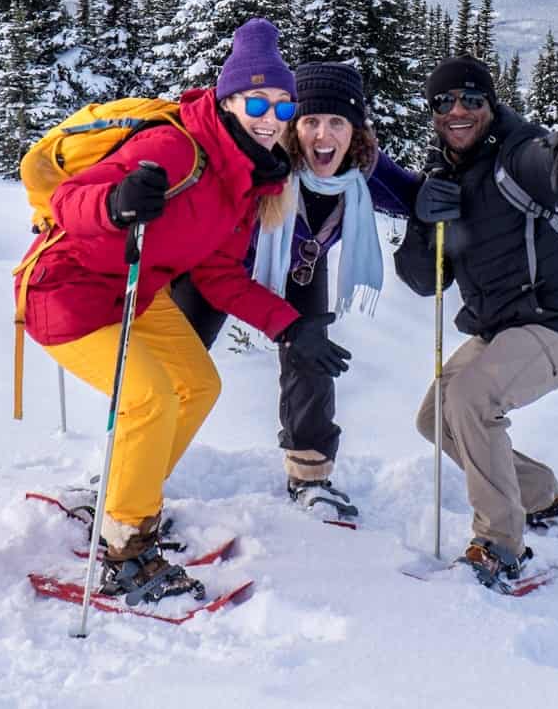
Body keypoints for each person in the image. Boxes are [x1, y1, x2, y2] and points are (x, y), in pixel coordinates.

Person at [16, 18, 353, 603]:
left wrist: (291, 325)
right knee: (149, 396)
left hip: (135, 292)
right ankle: (127, 547)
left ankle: (125, 495)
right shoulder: (175, 147)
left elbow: (220, 275)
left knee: (197, 384)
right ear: (227, 100)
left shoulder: (249, 178)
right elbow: (69, 201)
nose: (269, 118)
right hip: (66, 292)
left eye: (281, 106)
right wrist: (115, 204)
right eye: (256, 101)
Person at [393, 55, 558, 588]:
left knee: (472, 400)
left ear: (491, 105)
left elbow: (551, 159)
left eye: (472, 99)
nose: (458, 111)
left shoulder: (516, 155)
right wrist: (425, 221)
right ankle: (541, 495)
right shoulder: (445, 175)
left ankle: (500, 544)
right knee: (436, 418)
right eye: (444, 103)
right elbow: (424, 281)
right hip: (506, 325)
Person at [171, 62, 422, 519]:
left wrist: (445, 193)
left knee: (312, 357)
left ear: (355, 131)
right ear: (293, 125)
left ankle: (310, 474)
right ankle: (124, 465)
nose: (322, 136)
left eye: (336, 122)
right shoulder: (264, 165)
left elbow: (417, 198)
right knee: (173, 367)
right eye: (309, 121)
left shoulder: (364, 171)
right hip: (217, 267)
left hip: (301, 272)